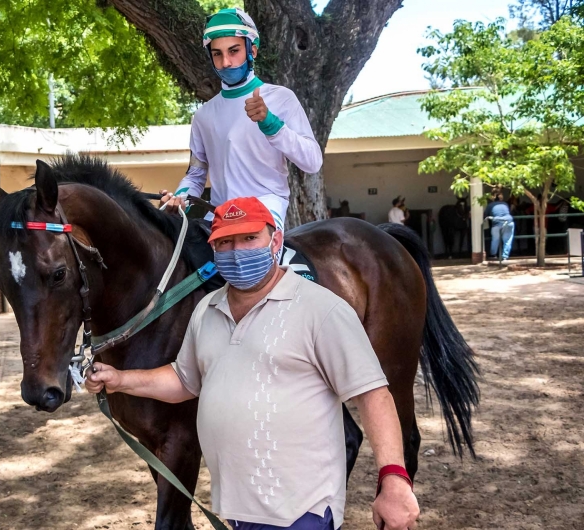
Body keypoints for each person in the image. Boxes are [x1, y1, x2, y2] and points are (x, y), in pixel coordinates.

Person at [86, 197, 420, 530]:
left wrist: (393, 479)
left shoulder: (321, 309)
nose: (237, 251)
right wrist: (120, 378)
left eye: (249, 239)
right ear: (212, 247)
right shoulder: (207, 310)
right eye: (226, 242)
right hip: (239, 509)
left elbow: (373, 394)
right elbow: (185, 381)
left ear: (274, 241)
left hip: (299, 512)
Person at [159, 8, 323, 232]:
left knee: (248, 253)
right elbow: (196, 175)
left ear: (252, 51)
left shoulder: (281, 98)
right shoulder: (203, 115)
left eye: (234, 51)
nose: (226, 62)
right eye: (217, 54)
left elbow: (312, 162)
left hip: (265, 211)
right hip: (217, 217)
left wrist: (271, 124)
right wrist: (179, 199)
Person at [484, 191, 515, 261]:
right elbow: (508, 212)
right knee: (507, 240)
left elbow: (485, 215)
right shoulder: (505, 204)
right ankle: (505, 256)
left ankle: (493, 255)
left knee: (495, 239)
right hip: (509, 221)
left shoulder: (490, 205)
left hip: (497, 223)